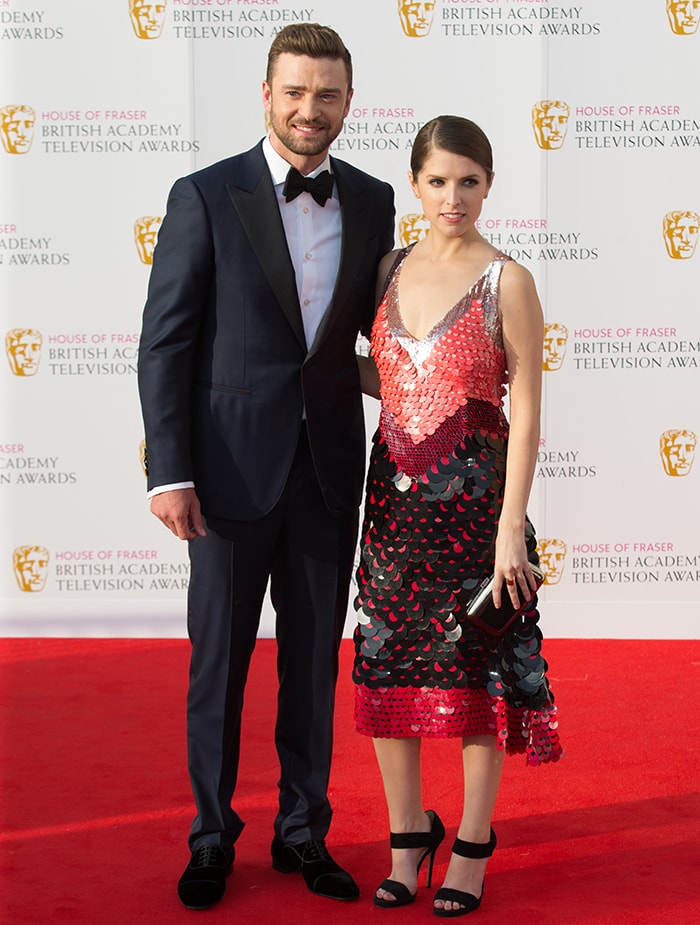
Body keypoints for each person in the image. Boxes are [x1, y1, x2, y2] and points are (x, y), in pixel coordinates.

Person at [137, 23, 394, 911]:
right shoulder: (206, 195)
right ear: (266, 92)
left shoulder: (372, 199)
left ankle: (303, 832)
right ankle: (212, 837)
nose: (309, 109)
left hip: (325, 473)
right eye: (295, 91)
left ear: (349, 102)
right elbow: (165, 343)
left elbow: (372, 341)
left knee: (313, 666)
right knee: (221, 666)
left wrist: (442, 393)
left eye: (327, 94)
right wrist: (168, 471)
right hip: (224, 482)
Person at [353, 115, 562, 917]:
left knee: (478, 676)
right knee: (385, 672)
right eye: (438, 180)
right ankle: (410, 833)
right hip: (393, 512)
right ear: (415, 184)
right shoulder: (388, 268)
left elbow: (528, 409)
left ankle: (472, 839)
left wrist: (514, 522)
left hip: (478, 515)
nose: (453, 196)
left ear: (489, 184)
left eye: (468, 180)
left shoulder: (508, 279)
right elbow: (399, 380)